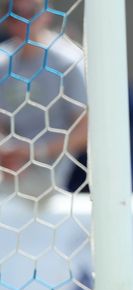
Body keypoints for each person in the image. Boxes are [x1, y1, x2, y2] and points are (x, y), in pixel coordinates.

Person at [0, 0, 88, 198]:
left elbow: (84, 131)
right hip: (8, 166)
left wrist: (34, 152)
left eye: (31, 13)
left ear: (46, 14)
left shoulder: (68, 62)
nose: (24, 21)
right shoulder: (3, 63)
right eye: (14, 14)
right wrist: (6, 152)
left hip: (50, 172)